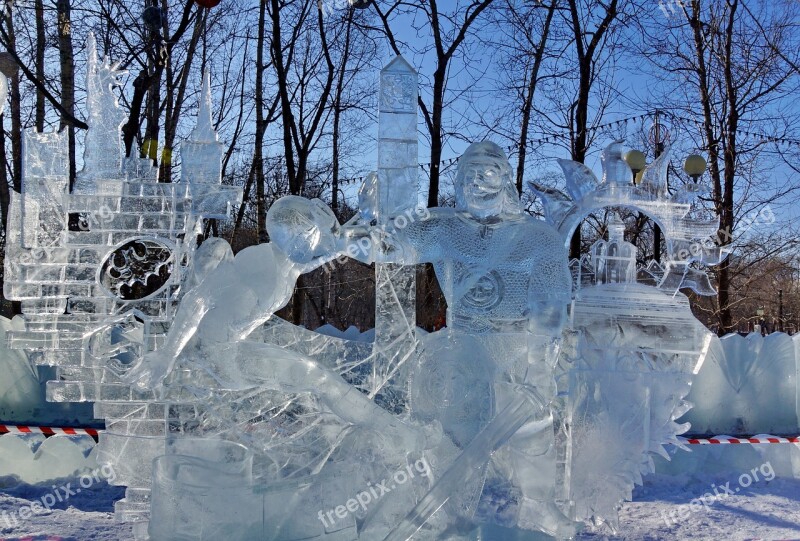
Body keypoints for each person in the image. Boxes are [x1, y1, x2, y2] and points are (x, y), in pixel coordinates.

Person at [122, 195, 437, 453]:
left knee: (319, 379)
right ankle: (394, 435)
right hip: (218, 359)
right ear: (299, 235)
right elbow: (197, 301)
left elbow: (331, 249)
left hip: (234, 351)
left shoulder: (287, 262)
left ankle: (387, 432)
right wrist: (166, 356)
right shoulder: (256, 263)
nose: (321, 241)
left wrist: (364, 214)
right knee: (319, 379)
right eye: (315, 234)